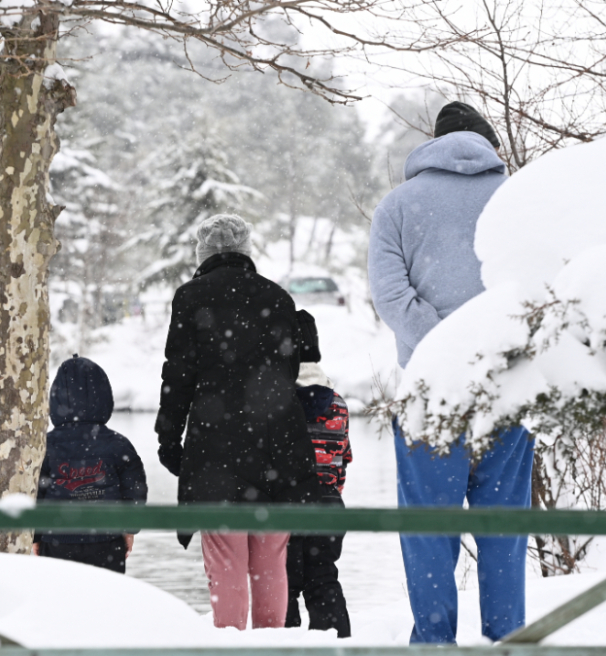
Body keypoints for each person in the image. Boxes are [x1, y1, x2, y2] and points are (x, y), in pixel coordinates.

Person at [368, 101, 533, 644]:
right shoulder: (517, 201)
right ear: (488, 144)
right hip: (506, 387)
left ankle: (435, 645)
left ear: (433, 143)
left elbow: (391, 295)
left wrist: (444, 348)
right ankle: (506, 640)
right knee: (504, 528)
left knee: (428, 530)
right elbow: (539, 289)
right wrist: (491, 348)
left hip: (428, 393)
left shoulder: (397, 206)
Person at [155, 213, 321, 631]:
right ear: (246, 252)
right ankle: (271, 643)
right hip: (277, 443)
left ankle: (229, 644)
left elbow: (178, 376)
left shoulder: (191, 298)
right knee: (270, 557)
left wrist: (169, 441)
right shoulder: (278, 297)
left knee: (226, 555)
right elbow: (290, 371)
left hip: (218, 446)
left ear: (203, 254)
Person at [34, 355, 148, 574]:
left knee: (60, 601)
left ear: (56, 400)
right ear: (104, 397)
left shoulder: (44, 446)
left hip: (58, 539)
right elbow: (135, 490)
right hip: (107, 539)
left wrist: (37, 535)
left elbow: (37, 493)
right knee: (106, 601)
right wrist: (130, 529)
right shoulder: (119, 444)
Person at [285, 310, 353, 637]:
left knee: (282, 585)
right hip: (328, 504)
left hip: (285, 504)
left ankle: (285, 645)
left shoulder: (276, 399)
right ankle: (337, 644)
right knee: (323, 578)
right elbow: (343, 459)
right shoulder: (338, 403)